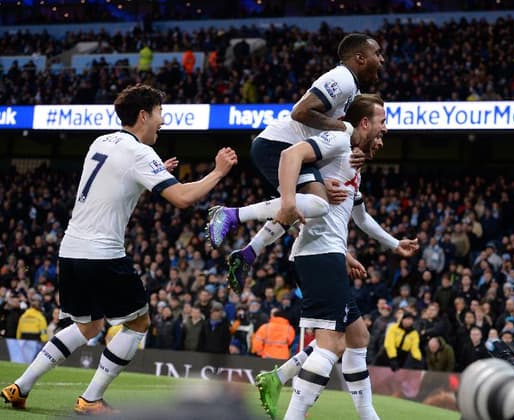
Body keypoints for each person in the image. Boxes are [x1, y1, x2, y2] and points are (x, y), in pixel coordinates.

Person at [1, 84, 238, 414]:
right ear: (144, 115)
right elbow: (182, 198)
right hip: (102, 254)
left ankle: (20, 387)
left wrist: (152, 177)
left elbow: (114, 186)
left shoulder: (102, 141)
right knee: (139, 323)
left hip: (70, 250)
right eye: (159, 113)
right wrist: (218, 172)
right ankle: (91, 398)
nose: (163, 120)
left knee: (89, 326)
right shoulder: (140, 153)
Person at [253, 95, 418, 420]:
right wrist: (298, 195)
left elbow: (361, 216)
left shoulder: (352, 163)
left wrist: (393, 243)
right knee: (332, 344)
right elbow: (293, 157)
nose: (384, 134)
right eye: (381, 125)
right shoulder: (337, 147)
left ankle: (362, 412)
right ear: (365, 124)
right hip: (317, 254)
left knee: (358, 336)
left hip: (329, 253)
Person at [206, 32, 385, 294]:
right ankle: (231, 215)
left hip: (292, 149)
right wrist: (344, 127)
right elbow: (300, 111)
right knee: (315, 204)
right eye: (377, 54)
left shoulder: (353, 87)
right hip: (278, 146)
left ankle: (248, 253)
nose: (381, 60)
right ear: (360, 58)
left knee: (307, 210)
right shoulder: (343, 78)